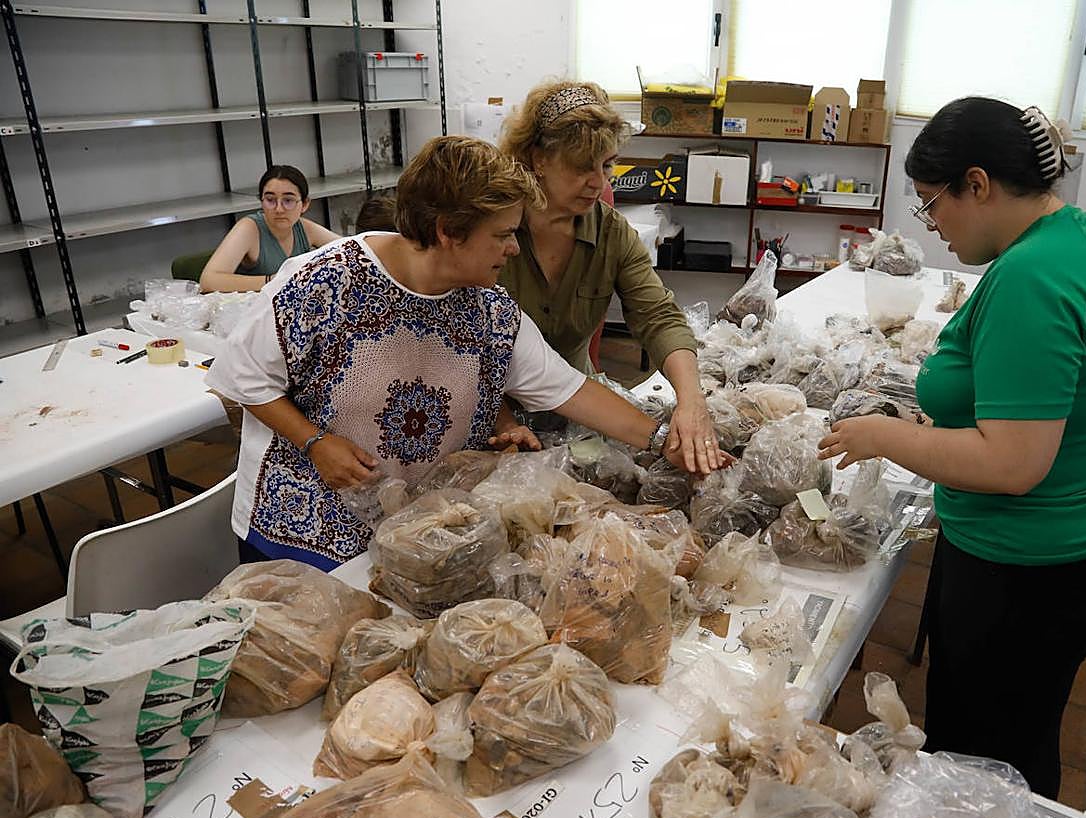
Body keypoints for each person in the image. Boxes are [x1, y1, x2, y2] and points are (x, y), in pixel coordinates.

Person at [817, 97, 1086, 798]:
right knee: (1020, 729)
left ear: (977, 184)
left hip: (1037, 567)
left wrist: (886, 435)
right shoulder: (1078, 235)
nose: (932, 225)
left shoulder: (1033, 277)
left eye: (931, 204)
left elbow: (1012, 463)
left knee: (988, 764)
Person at [207, 136, 718, 571]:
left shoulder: (488, 308)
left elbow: (569, 390)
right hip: (303, 529)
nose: (514, 248)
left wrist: (664, 440)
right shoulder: (323, 282)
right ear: (448, 232)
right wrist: (315, 441)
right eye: (503, 235)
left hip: (417, 530)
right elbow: (238, 376)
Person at [497, 80, 721, 474]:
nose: (599, 183)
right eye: (581, 166)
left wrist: (691, 400)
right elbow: (457, 346)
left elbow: (658, 316)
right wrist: (503, 422)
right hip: (495, 414)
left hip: (579, 411)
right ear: (538, 159)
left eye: (606, 165)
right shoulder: (494, 231)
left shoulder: (611, 234)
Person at [200, 165, 340, 293]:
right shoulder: (249, 228)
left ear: (304, 204)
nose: (279, 209)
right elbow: (208, 281)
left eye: (288, 200)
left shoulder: (304, 228)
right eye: (270, 200)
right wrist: (273, 280)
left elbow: (349, 247)